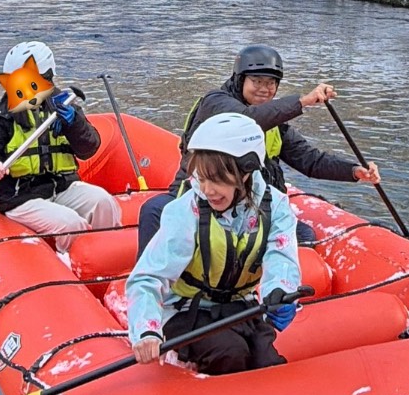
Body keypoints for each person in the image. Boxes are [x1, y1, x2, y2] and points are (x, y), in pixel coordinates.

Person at [137, 42, 382, 250]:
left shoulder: (274, 122)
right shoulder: (216, 102)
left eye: (271, 83)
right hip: (202, 197)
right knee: (155, 209)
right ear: (240, 79)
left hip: (246, 203)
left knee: (304, 235)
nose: (265, 89)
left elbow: (310, 160)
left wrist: (354, 171)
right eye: (257, 81)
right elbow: (246, 120)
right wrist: (303, 101)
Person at [126, 113, 302, 375]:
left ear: (246, 171)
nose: (207, 190)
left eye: (217, 179)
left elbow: (281, 255)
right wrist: (146, 330)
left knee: (267, 362)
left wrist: (280, 291)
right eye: (202, 178)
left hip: (241, 307)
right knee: (229, 353)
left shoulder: (275, 206)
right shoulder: (186, 211)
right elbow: (148, 277)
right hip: (187, 310)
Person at [0, 40, 120, 239]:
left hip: (61, 186)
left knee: (104, 203)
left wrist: (73, 124)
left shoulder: (63, 105)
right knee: (70, 224)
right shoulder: (3, 115)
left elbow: (89, 148)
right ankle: (72, 256)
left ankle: (108, 250)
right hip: (21, 196)